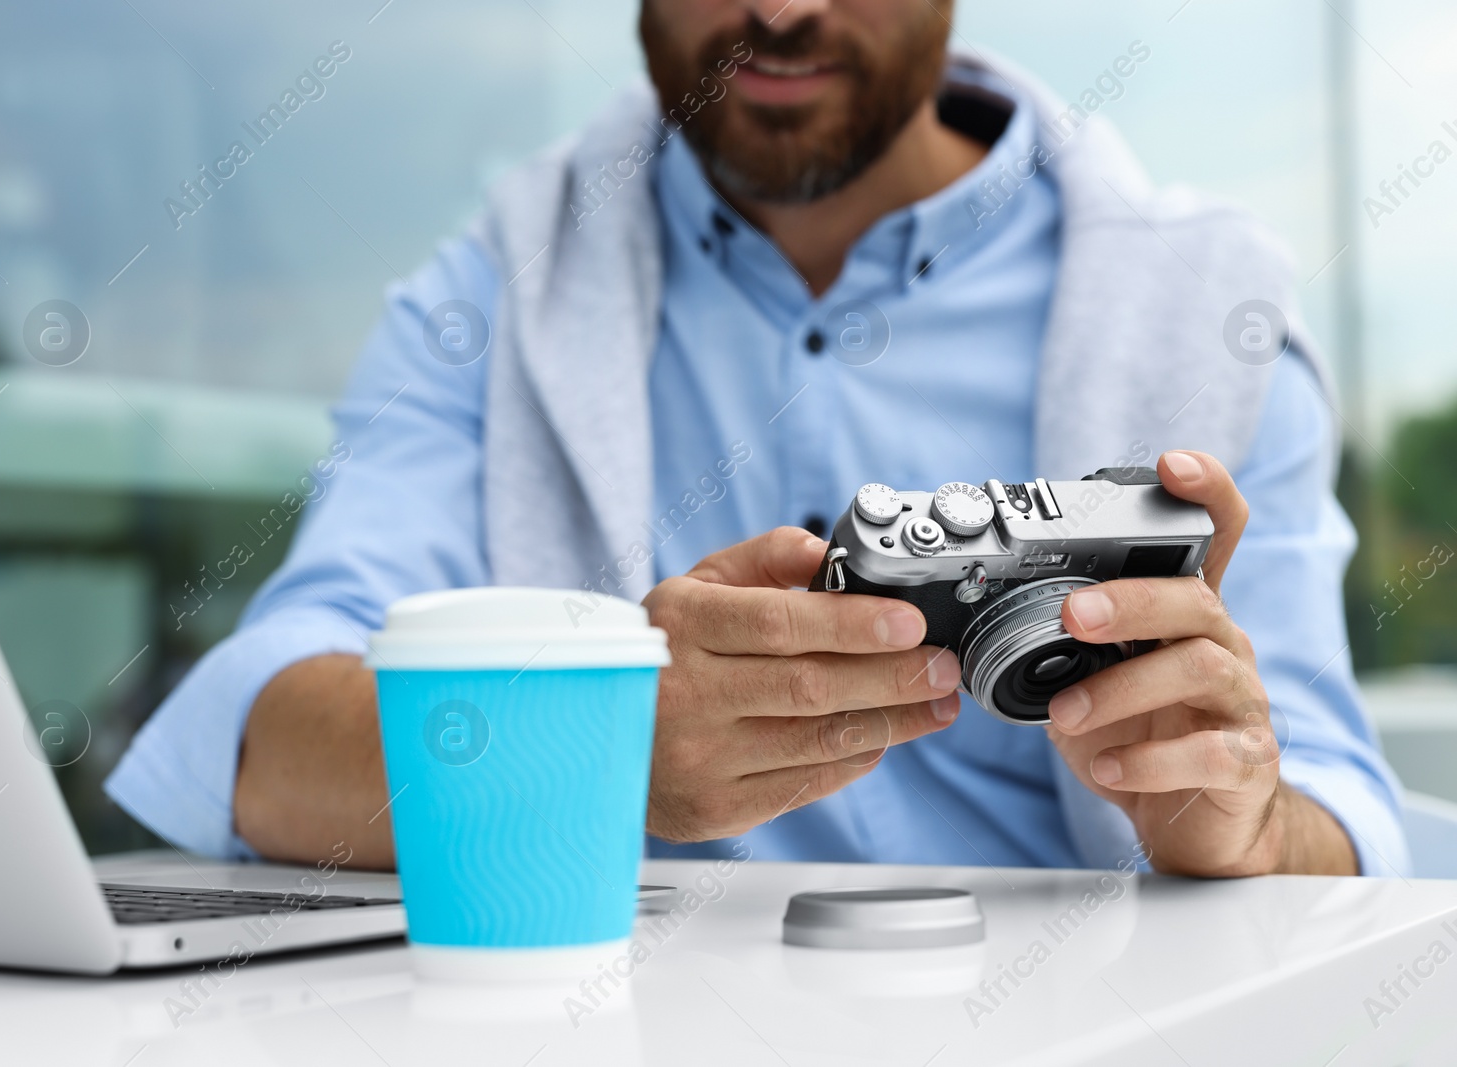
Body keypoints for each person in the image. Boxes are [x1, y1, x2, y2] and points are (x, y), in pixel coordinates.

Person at [106, 0, 1408, 879]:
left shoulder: (1206, 310)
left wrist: (1231, 819)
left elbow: (1342, 820)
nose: (780, 11)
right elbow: (259, 744)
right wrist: (594, 748)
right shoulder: (496, 296)